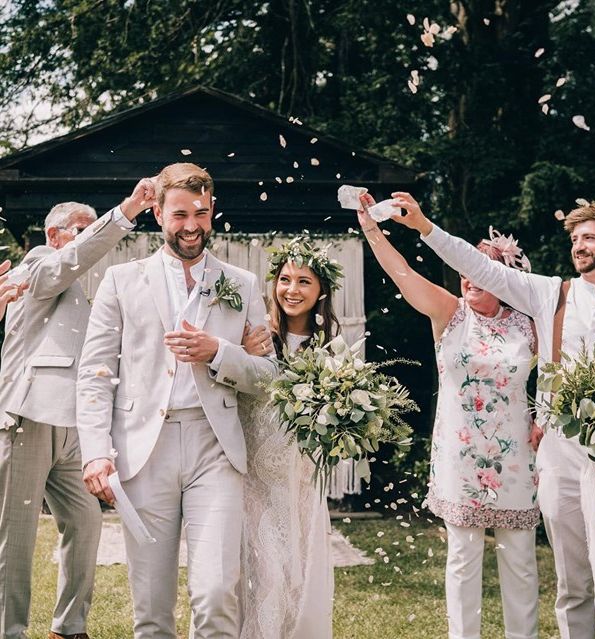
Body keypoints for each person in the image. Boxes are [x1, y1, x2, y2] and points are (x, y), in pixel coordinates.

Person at [388, 192, 595, 639]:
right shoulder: (551, 294)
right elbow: (480, 265)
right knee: (573, 583)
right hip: (562, 461)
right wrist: (424, 226)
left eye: (589, 238)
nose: (579, 246)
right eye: (576, 239)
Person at [76, 163, 276, 639]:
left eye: (201, 214)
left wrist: (219, 353)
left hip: (216, 448)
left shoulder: (243, 284)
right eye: (180, 214)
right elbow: (95, 373)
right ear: (158, 213)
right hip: (144, 450)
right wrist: (95, 451)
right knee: (151, 605)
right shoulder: (121, 281)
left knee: (215, 594)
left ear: (212, 212)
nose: (191, 226)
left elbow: (267, 376)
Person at [357, 195, 540, 639]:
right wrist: (370, 228)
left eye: (479, 269)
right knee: (462, 559)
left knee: (519, 560)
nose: (467, 277)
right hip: (460, 452)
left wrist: (548, 418)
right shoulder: (450, 313)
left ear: (504, 278)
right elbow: (402, 273)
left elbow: (559, 375)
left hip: (516, 456)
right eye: (466, 268)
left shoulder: (531, 324)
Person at [0, 197, 146, 639]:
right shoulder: (37, 264)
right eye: (80, 230)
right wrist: (126, 211)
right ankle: (9, 630)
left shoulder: (95, 285)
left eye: (90, 229)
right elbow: (71, 260)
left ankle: (69, 627)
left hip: (78, 427)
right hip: (27, 416)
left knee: (85, 524)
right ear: (54, 236)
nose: (87, 237)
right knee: (15, 538)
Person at [238, 235, 340, 639]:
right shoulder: (255, 335)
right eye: (285, 279)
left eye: (304, 282)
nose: (292, 290)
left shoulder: (332, 349)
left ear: (321, 292)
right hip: (252, 473)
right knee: (261, 570)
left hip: (299, 480)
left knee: (293, 570)